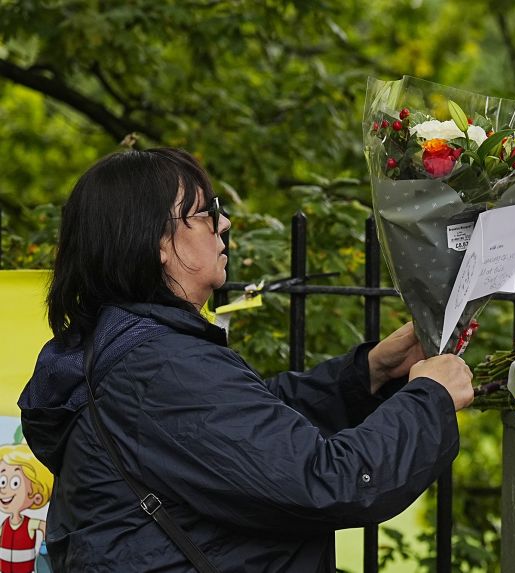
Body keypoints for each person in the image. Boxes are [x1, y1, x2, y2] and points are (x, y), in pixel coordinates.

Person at [18, 148, 474, 572]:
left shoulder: (127, 352)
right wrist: (429, 399)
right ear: (156, 241)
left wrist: (370, 372)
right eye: (205, 214)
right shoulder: (159, 369)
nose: (225, 224)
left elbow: (251, 422)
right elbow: (326, 483)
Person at [0, 443, 53, 573]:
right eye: (2, 481)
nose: (4, 489)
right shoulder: (4, 525)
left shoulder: (30, 524)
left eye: (15, 483)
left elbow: (45, 527)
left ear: (36, 496)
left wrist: (44, 549)